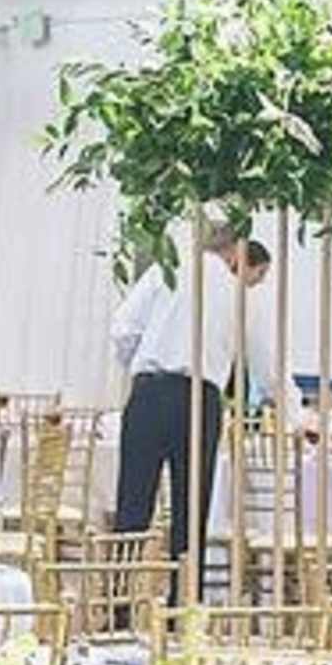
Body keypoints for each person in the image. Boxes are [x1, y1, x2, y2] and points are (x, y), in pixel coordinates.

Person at [110, 226, 268, 580]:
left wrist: (142, 366)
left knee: (132, 508)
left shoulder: (167, 267)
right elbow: (265, 361)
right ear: (237, 251)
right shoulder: (237, 293)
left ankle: (117, 601)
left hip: (150, 393)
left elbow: (123, 329)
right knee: (191, 513)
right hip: (200, 400)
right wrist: (296, 412)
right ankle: (183, 603)